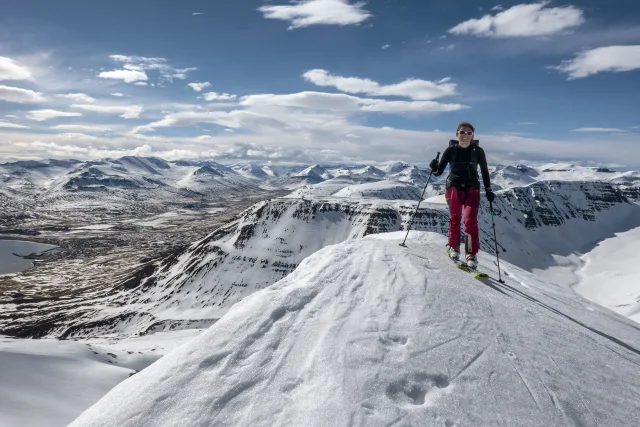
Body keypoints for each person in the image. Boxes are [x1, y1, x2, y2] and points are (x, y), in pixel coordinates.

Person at [429, 122, 494, 269]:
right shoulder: (450, 150)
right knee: (455, 219)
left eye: (469, 133)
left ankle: (471, 253)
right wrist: (433, 167)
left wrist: (488, 190)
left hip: (472, 189)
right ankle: (454, 247)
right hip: (454, 188)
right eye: (463, 132)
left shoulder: (478, 151)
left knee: (470, 221)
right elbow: (438, 172)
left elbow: (484, 171)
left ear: (472, 136)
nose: (465, 135)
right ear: (457, 133)